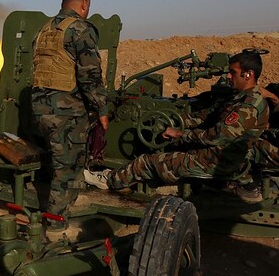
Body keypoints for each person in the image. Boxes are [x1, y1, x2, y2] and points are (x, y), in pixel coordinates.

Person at [83, 51, 269, 203]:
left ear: (248, 74)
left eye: (233, 72)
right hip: (219, 154)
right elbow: (203, 117)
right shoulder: (237, 97)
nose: (228, 76)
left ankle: (108, 180)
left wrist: (180, 134)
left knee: (147, 162)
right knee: (168, 148)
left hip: (218, 160)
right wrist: (174, 121)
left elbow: (217, 136)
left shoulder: (249, 106)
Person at [30, 0, 109, 225]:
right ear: (84, 3)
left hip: (41, 110)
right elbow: (90, 77)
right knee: (67, 170)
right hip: (66, 113)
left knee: (61, 162)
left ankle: (66, 208)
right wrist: (102, 110)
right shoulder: (80, 30)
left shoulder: (44, 30)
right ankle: (55, 226)